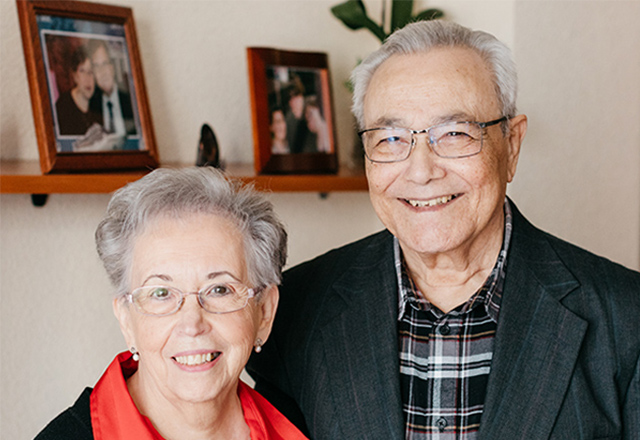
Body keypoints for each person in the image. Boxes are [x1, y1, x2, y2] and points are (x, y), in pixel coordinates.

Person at [247, 20, 640, 439]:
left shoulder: (626, 320)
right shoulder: (292, 312)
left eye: (454, 133)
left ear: (512, 145)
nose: (421, 172)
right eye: (390, 139)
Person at [36, 167, 307, 440]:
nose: (192, 324)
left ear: (264, 312)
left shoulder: (302, 425)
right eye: (162, 293)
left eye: (219, 289)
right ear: (127, 320)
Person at [88, 40, 137, 137]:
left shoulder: (132, 100)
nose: (102, 72)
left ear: (112, 67)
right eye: (96, 66)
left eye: (105, 63)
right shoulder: (92, 107)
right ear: (93, 73)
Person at [54, 45, 102, 136]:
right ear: (75, 76)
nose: (87, 78)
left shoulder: (99, 105)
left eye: (91, 72)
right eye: (82, 71)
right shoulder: (63, 108)